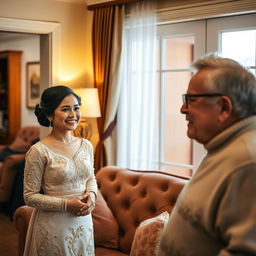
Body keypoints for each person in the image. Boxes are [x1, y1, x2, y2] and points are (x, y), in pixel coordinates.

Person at [158, 54, 256, 256]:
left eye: (190, 99)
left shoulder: (248, 162)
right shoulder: (225, 147)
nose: (183, 109)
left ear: (223, 107)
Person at [23, 85, 97, 256]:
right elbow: (29, 196)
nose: (73, 115)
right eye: (65, 109)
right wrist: (66, 204)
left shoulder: (86, 145)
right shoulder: (39, 151)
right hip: (53, 227)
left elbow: (91, 178)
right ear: (50, 115)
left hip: (84, 223)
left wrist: (92, 195)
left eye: (76, 108)